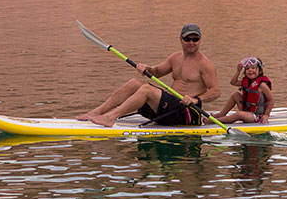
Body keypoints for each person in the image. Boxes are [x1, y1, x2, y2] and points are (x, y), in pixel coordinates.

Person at [77, 24, 221, 127]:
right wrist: (146, 68)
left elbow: (215, 92)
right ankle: (96, 113)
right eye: (187, 39)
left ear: (200, 40)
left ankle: (110, 117)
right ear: (180, 39)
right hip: (170, 106)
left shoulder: (205, 64)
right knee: (135, 83)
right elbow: (156, 72)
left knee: (146, 89)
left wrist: (196, 100)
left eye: (195, 39)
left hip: (187, 112)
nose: (191, 43)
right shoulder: (175, 57)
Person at [205, 57, 275, 124]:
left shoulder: (262, 85)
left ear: (259, 71)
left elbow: (271, 100)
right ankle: (222, 114)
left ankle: (215, 121)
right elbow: (233, 82)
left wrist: (266, 115)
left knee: (238, 115)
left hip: (257, 116)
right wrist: (238, 71)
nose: (250, 70)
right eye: (247, 69)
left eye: (253, 68)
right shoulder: (247, 82)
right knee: (236, 95)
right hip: (247, 111)